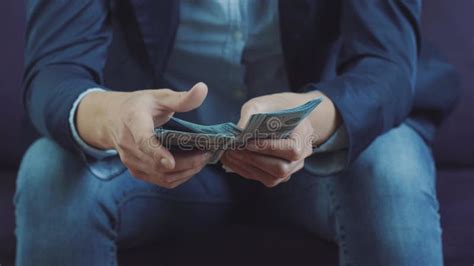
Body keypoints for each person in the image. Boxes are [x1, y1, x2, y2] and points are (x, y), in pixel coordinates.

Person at [15, 0, 458, 265]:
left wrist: (312, 119)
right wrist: (114, 118)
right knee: (48, 171)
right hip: (160, 166)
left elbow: (386, 67)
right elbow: (57, 70)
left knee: (393, 165)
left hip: (314, 157)